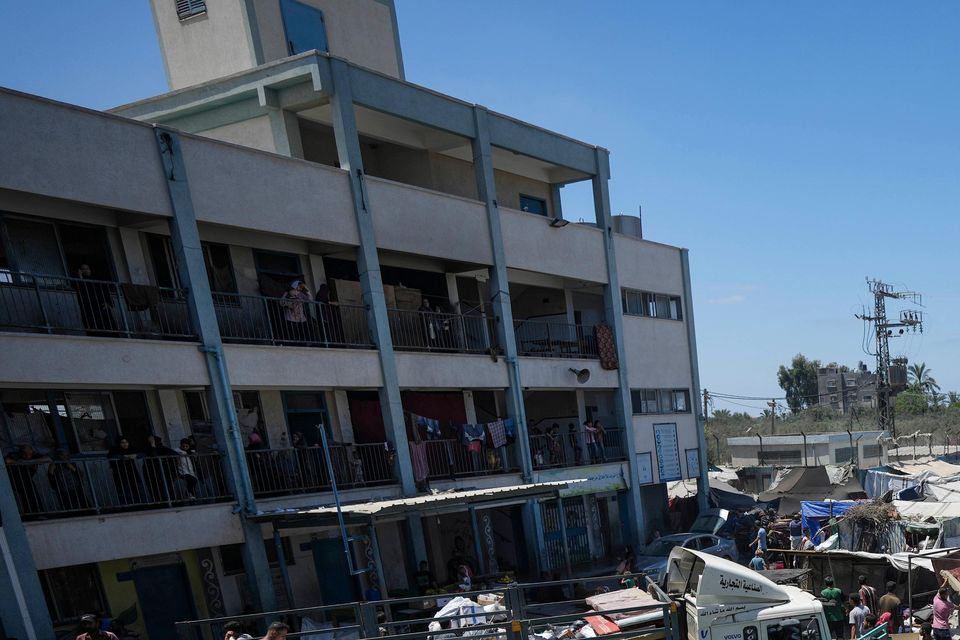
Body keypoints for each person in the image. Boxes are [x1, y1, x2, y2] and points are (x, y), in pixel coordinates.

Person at [5, 443, 51, 516]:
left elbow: (48, 459)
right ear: (21, 453)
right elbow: (7, 461)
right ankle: (31, 515)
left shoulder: (34, 455)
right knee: (26, 496)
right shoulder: (14, 455)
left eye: (29, 454)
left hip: (27, 479)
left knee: (33, 496)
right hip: (15, 479)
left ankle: (37, 514)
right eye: (25, 454)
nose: (27, 456)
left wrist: (29, 461)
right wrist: (19, 462)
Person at [73, 264, 118, 336]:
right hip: (89, 309)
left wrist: (109, 303)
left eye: (87, 268)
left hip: (102, 307)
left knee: (108, 327)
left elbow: (105, 291)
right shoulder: (80, 281)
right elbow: (81, 289)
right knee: (93, 326)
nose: (86, 270)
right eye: (83, 269)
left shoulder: (96, 280)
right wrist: (80, 277)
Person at [108, 437, 146, 506]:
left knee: (138, 490)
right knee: (124, 492)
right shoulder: (114, 450)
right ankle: (127, 507)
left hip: (132, 473)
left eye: (126, 442)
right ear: (119, 444)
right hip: (120, 474)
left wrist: (136, 455)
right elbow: (111, 456)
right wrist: (125, 456)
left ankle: (141, 505)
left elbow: (143, 453)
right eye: (122, 442)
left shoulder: (131, 449)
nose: (125, 444)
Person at [821, 576, 845, 640]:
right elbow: (843, 600)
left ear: (825, 583)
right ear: (833, 583)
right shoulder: (839, 591)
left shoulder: (823, 592)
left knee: (827, 635)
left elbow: (822, 604)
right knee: (840, 636)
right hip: (839, 617)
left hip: (828, 618)